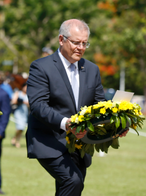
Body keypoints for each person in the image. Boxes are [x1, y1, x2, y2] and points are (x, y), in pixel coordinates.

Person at [26, 19, 107, 195]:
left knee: (73, 188)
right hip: (49, 140)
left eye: (85, 43)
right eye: (76, 42)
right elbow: (38, 106)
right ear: (61, 39)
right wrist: (66, 123)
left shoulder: (92, 69)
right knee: (73, 181)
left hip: (80, 144)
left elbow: (100, 105)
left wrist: (115, 127)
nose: (81, 47)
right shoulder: (41, 67)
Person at [11, 83, 29, 148]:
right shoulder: (18, 93)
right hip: (18, 112)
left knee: (22, 129)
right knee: (19, 127)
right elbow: (13, 101)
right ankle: (17, 142)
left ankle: (15, 139)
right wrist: (21, 101)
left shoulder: (28, 95)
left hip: (25, 113)